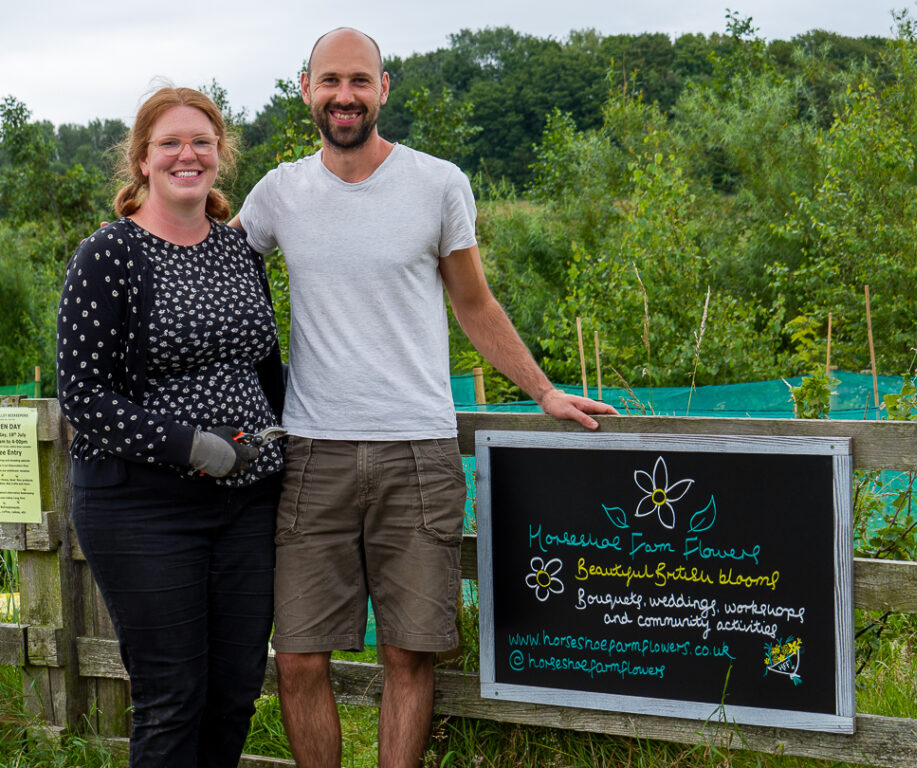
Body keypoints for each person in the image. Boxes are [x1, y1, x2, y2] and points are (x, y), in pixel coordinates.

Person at [232, 27, 617, 768]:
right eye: (331, 81)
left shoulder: (438, 184)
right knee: (299, 658)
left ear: (384, 88)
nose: (345, 96)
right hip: (312, 452)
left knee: (410, 654)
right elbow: (216, 276)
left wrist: (541, 391)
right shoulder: (278, 192)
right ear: (306, 87)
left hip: (419, 449)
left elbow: (475, 305)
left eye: (360, 81)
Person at [56, 86, 286, 768]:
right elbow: (83, 395)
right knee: (172, 696)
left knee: (236, 692)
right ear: (143, 160)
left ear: (220, 156)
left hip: (247, 504)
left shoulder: (241, 252)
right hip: (142, 505)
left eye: (202, 142)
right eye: (170, 143)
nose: (188, 154)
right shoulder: (109, 256)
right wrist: (192, 446)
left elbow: (265, 369)